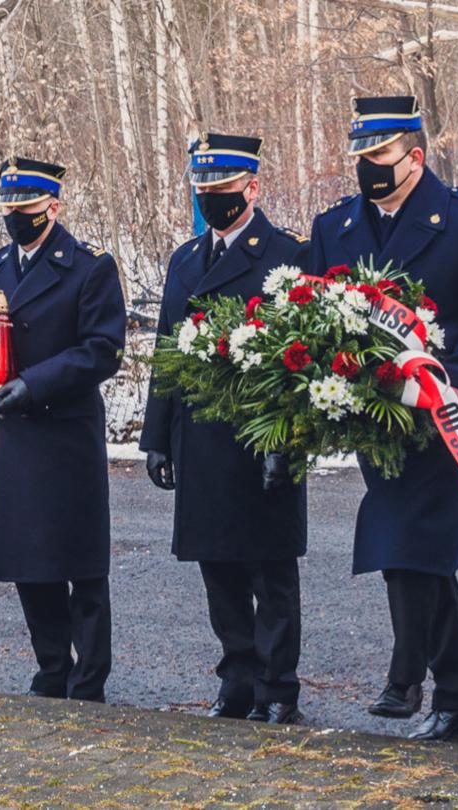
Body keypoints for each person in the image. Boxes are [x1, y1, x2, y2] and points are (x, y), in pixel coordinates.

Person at [305, 95, 458, 741]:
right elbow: (319, 316)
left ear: (415, 157)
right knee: (418, 549)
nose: (368, 168)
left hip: (447, 412)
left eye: (380, 157)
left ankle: (405, 677)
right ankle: (456, 698)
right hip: (380, 418)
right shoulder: (335, 227)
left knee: (411, 542)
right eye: (361, 158)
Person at [141, 133, 312, 725]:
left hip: (262, 438)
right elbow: (168, 348)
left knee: (270, 569)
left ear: (252, 188)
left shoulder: (287, 253)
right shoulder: (186, 259)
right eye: (204, 191)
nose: (213, 200)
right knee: (219, 570)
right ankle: (236, 680)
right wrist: (157, 437)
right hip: (203, 442)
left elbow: (305, 355)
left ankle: (278, 688)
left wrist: (288, 441)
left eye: (222, 190)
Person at [0, 156, 126, 702]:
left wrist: (33, 384)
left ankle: (88, 676)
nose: (15, 219)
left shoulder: (89, 267)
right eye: (9, 210)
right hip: (15, 436)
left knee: (80, 563)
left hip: (65, 431)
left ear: (52, 207)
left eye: (26, 210)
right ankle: (51, 666)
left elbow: (101, 350)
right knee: (31, 562)